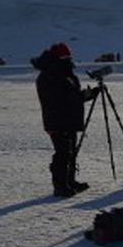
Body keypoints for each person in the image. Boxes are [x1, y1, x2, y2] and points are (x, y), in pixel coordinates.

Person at [32, 43, 96, 197]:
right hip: (56, 121)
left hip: (69, 119)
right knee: (63, 153)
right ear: (56, 57)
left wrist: (85, 95)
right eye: (64, 56)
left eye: (69, 56)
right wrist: (82, 96)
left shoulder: (64, 72)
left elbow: (70, 95)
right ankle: (60, 186)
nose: (67, 59)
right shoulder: (48, 75)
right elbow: (60, 99)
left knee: (71, 152)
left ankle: (70, 181)